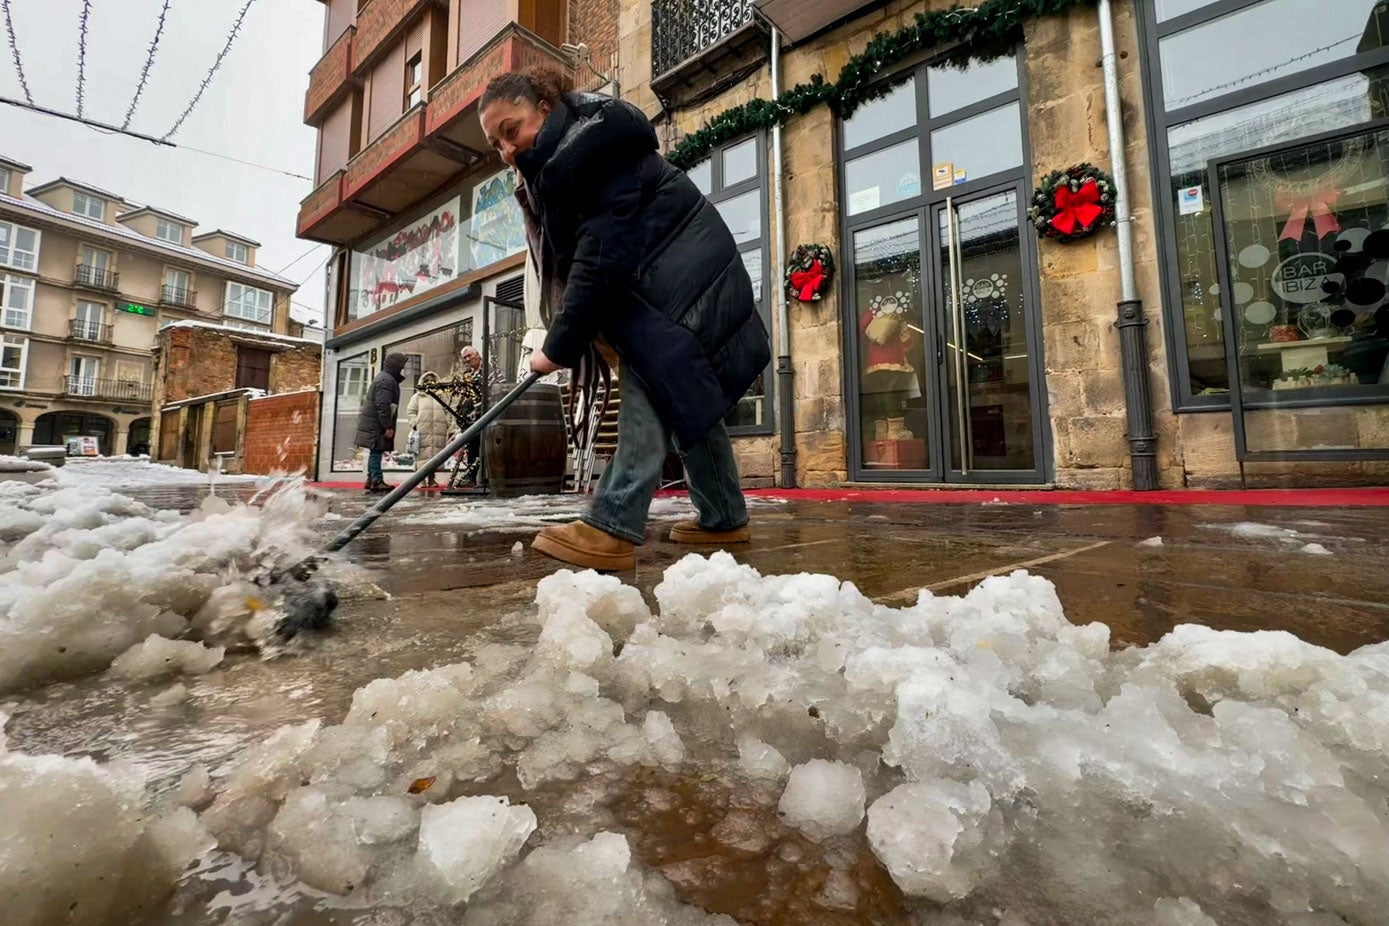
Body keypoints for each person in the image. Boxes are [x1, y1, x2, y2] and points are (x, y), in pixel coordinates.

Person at [479, 66, 769, 571]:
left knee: (652, 388)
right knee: (687, 397)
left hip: (676, 288)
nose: (506, 150)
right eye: (496, 144)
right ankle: (724, 515)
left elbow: (599, 258)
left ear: (545, 110)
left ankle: (612, 525)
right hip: (667, 285)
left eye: (511, 131)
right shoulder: (570, 155)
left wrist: (559, 345)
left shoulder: (590, 151)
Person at [354, 352, 406, 493]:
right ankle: (376, 480)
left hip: (373, 422)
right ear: (396, 366)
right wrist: (387, 426)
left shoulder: (384, 378)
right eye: (401, 366)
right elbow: (383, 405)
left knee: (374, 451)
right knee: (376, 451)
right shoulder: (387, 381)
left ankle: (371, 479)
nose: (403, 369)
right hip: (376, 424)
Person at [405, 371, 457, 489]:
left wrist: (449, 425)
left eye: (432, 381)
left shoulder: (441, 396)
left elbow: (448, 411)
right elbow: (411, 411)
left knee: (435, 456)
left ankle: (432, 479)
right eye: (427, 381)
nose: (430, 383)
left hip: (438, 430)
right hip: (422, 431)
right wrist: (414, 423)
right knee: (422, 456)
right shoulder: (417, 397)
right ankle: (421, 479)